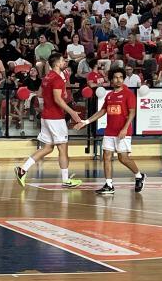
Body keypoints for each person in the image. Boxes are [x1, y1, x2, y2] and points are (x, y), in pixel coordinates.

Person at [14, 53, 83, 188]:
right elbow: (58, 99)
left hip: (46, 116)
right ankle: (66, 180)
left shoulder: (46, 77)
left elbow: (40, 94)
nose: (65, 62)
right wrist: (73, 112)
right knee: (63, 148)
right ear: (57, 63)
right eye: (63, 61)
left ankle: (22, 170)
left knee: (47, 148)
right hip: (55, 118)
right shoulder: (56, 78)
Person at [76, 66, 146, 195]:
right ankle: (109, 184)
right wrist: (85, 121)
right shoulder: (109, 95)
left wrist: (125, 129)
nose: (118, 80)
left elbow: (132, 113)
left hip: (123, 131)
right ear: (111, 80)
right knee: (106, 157)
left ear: (123, 79)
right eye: (115, 77)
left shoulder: (128, 94)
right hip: (109, 131)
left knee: (123, 158)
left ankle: (139, 175)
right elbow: (102, 111)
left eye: (120, 77)